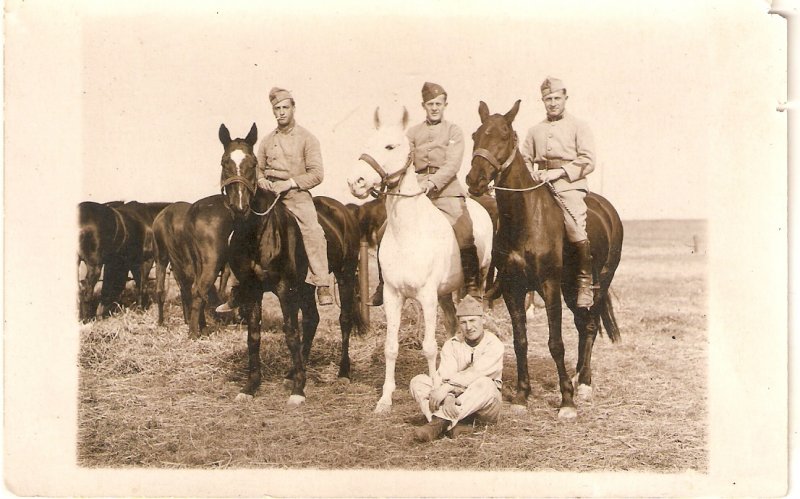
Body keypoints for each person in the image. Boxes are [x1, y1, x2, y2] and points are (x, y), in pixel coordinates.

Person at [370, 81, 481, 306]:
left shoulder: (454, 131)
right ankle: (384, 283)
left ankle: (471, 283)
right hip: (415, 192)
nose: (434, 108)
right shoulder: (412, 133)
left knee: (465, 229)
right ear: (424, 106)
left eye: (438, 103)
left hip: (445, 191)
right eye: (430, 104)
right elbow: (401, 158)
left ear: (445, 104)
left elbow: (452, 165)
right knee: (383, 230)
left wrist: (431, 183)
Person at [521, 77, 596, 308]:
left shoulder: (579, 126)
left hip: (568, 184)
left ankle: (584, 281)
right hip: (538, 184)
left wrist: (560, 172)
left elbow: (588, 160)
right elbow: (524, 158)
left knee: (574, 223)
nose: (552, 103)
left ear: (565, 98)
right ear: (542, 101)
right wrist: (530, 173)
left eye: (556, 98)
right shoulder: (535, 130)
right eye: (548, 99)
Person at [256, 87, 333, 305]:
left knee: (313, 230)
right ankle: (237, 286)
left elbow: (317, 174)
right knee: (244, 228)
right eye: (276, 109)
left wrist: (289, 183)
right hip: (268, 197)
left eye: (284, 108)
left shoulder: (308, 139)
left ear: (293, 108)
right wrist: (261, 180)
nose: (281, 112)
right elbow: (258, 168)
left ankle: (322, 283)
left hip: (296, 195)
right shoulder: (266, 140)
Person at [409, 295, 504, 442]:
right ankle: (453, 425)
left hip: (484, 406)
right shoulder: (452, 344)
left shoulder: (494, 344)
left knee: (485, 383)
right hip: (453, 400)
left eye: (473, 321)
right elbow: (445, 375)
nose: (469, 327)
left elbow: (475, 374)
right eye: (464, 322)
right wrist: (448, 397)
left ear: (483, 320)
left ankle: (437, 424)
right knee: (419, 381)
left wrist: (446, 391)